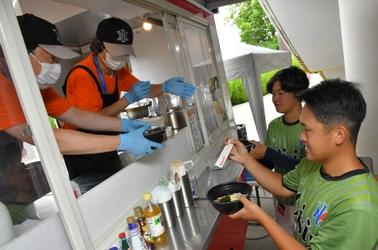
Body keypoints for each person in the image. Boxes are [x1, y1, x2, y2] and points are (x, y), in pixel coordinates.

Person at [224, 79, 378, 249]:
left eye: (307, 129)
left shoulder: (358, 207)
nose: (301, 137)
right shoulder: (313, 164)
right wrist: (246, 159)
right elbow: (282, 186)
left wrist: (261, 217)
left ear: (339, 134)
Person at [0, 14, 162, 161]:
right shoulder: (2, 86)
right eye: (52, 58)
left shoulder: (35, 86)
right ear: (20, 52)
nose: (56, 66)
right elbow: (47, 139)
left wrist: (124, 125)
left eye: (58, 60)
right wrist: (123, 141)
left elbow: (76, 115)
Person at [61, 17, 196, 178]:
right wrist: (128, 100)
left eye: (125, 54)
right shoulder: (82, 76)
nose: (123, 59)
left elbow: (144, 90)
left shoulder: (118, 71)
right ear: (98, 46)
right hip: (83, 152)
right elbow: (91, 121)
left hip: (108, 145)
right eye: (118, 53)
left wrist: (165, 87)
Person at [247, 66, 309, 235]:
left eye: (280, 93)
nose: (274, 98)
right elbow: (270, 163)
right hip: (280, 196)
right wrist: (250, 154)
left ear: (298, 93)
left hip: (304, 198)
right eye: (273, 93)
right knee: (284, 235)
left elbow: (307, 168)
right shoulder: (274, 125)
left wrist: (268, 153)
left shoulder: (310, 125)